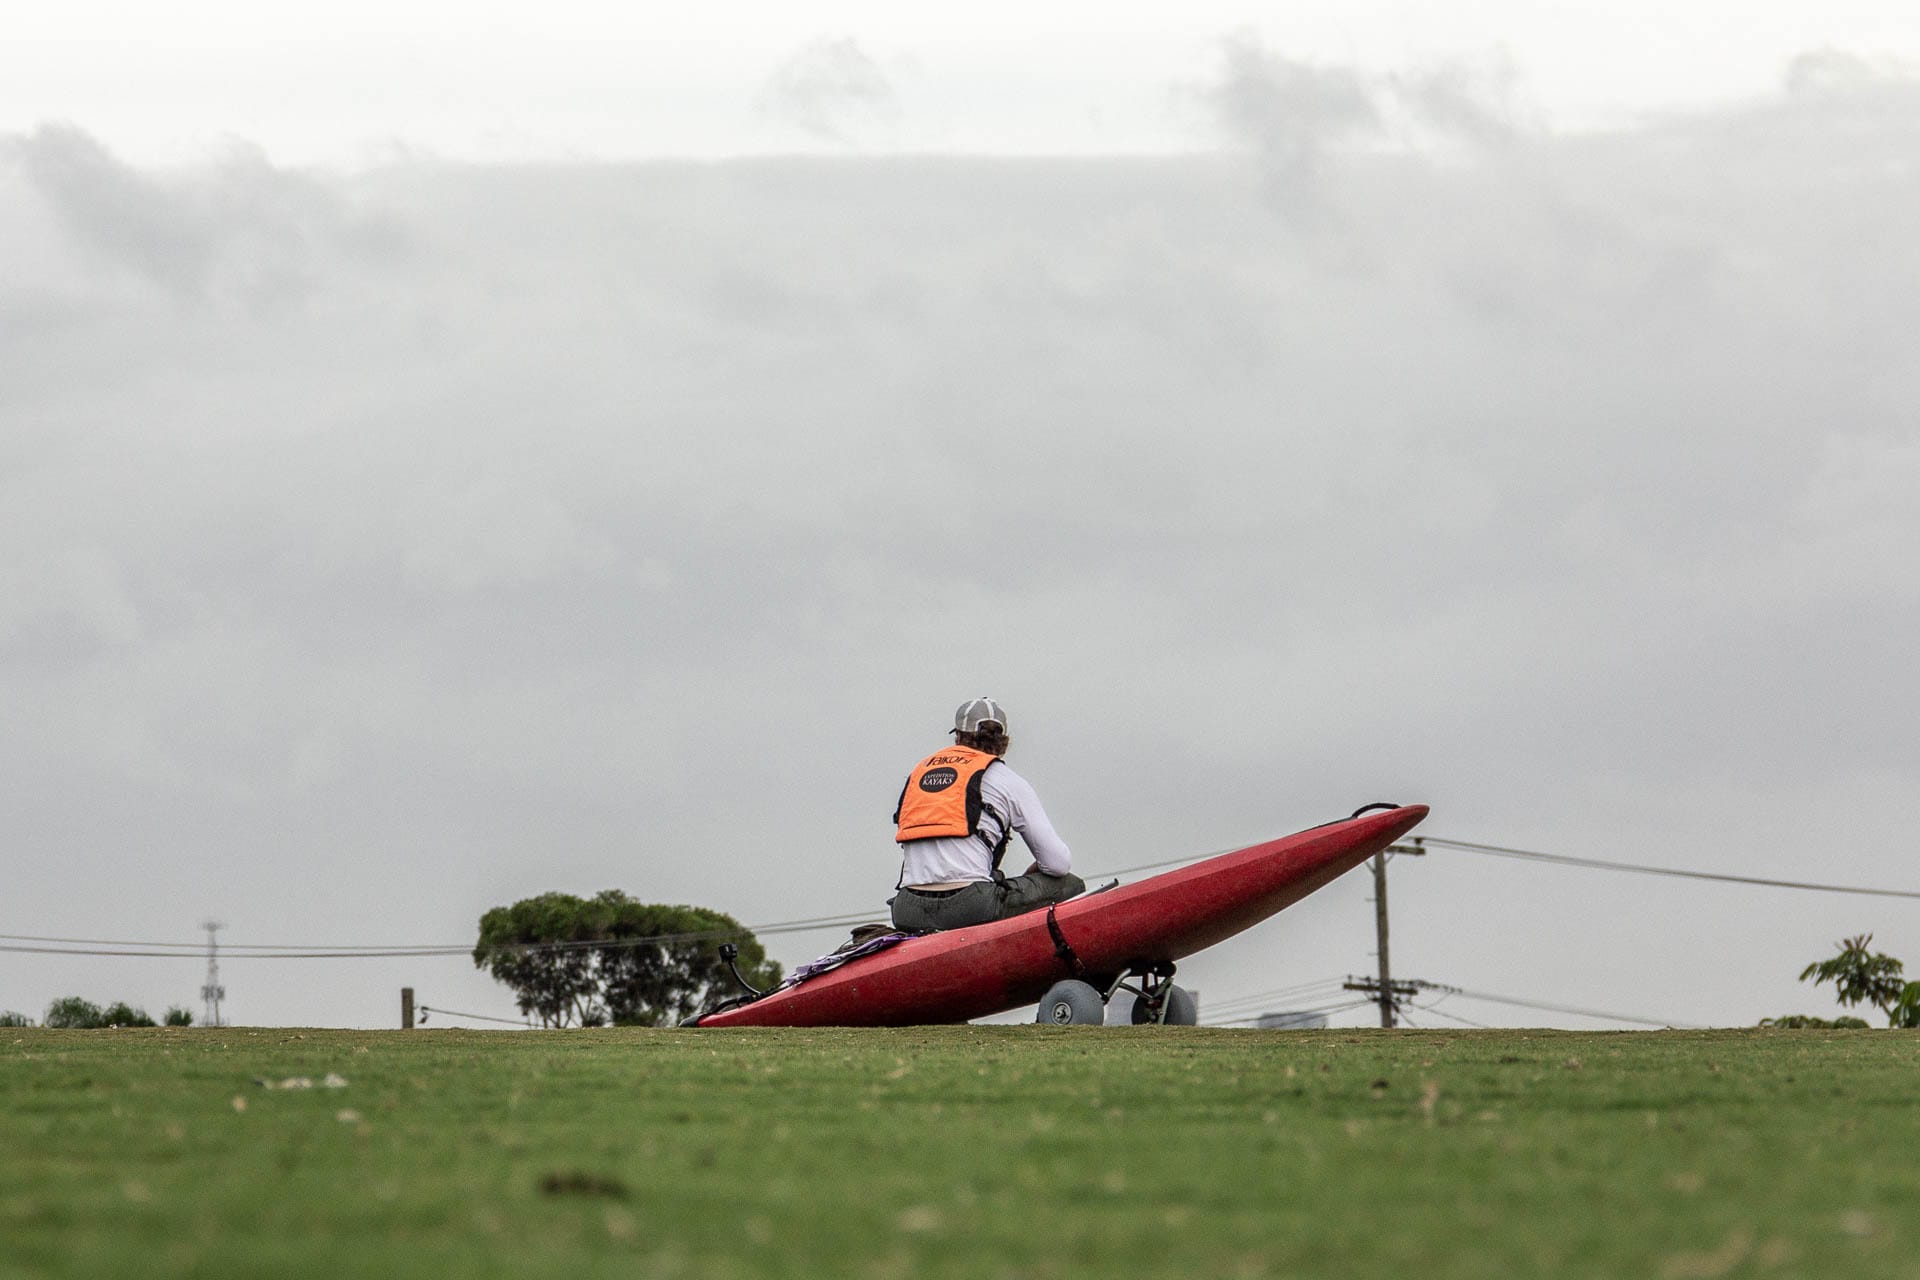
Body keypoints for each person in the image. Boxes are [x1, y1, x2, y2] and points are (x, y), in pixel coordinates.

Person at [889, 697, 1085, 932]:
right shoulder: (1007, 781)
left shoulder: (918, 774)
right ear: (1003, 744)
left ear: (958, 737)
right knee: (1070, 885)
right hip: (971, 907)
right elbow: (1058, 864)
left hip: (907, 910)